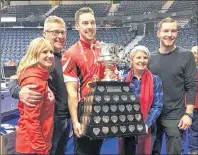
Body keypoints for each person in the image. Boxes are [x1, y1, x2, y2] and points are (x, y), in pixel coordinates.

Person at [8, 16, 70, 155]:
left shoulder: (67, 58)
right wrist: (19, 91)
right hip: (48, 123)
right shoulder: (36, 60)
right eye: (55, 32)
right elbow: (15, 79)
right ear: (45, 33)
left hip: (66, 120)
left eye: (62, 32)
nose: (60, 36)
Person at [61, 7, 106, 155]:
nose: (90, 27)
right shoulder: (70, 54)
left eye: (92, 23)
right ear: (77, 26)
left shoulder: (103, 50)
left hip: (103, 109)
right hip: (84, 110)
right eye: (85, 23)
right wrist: (75, 121)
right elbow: (72, 93)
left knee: (96, 150)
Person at [150, 17, 197, 154]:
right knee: (153, 151)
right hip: (154, 116)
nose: (169, 34)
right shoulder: (150, 58)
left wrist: (188, 114)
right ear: (158, 33)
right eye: (165, 31)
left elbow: (191, 86)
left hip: (176, 116)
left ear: (177, 33)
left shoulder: (186, 55)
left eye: (173, 31)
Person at [118, 45, 163, 155]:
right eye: (138, 57)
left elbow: (157, 105)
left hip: (147, 127)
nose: (142, 61)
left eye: (145, 57)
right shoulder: (123, 80)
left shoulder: (155, 79)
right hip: (127, 127)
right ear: (131, 59)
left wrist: (147, 123)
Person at [16, 37, 55, 155]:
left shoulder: (41, 76)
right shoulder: (34, 80)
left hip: (35, 144)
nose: (50, 55)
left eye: (51, 52)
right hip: (32, 147)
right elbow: (31, 120)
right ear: (35, 54)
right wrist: (42, 150)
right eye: (44, 52)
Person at [188, 45, 198, 154]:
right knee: (194, 130)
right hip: (192, 104)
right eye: (194, 53)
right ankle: (194, 150)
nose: (196, 55)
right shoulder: (186, 69)